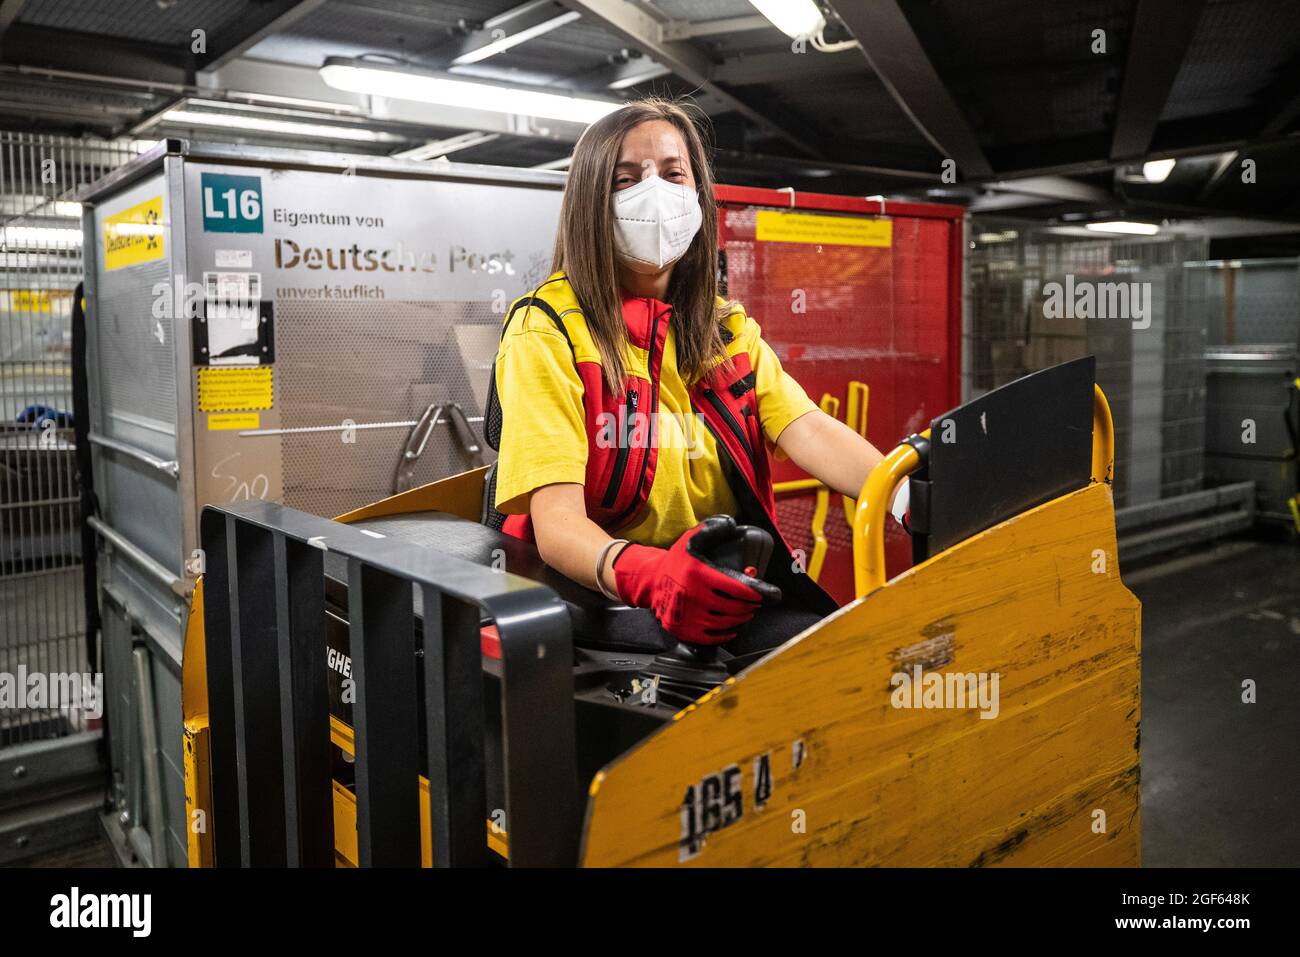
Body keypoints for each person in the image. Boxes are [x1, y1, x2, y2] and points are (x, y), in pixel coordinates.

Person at [487, 96, 896, 656]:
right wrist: (652, 577)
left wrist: (901, 491)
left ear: (698, 193)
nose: (653, 193)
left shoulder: (723, 328)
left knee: (841, 647)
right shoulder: (548, 329)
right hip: (601, 586)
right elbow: (557, 526)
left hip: (717, 572)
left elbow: (809, 430)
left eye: (673, 174)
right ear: (588, 203)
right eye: (624, 179)